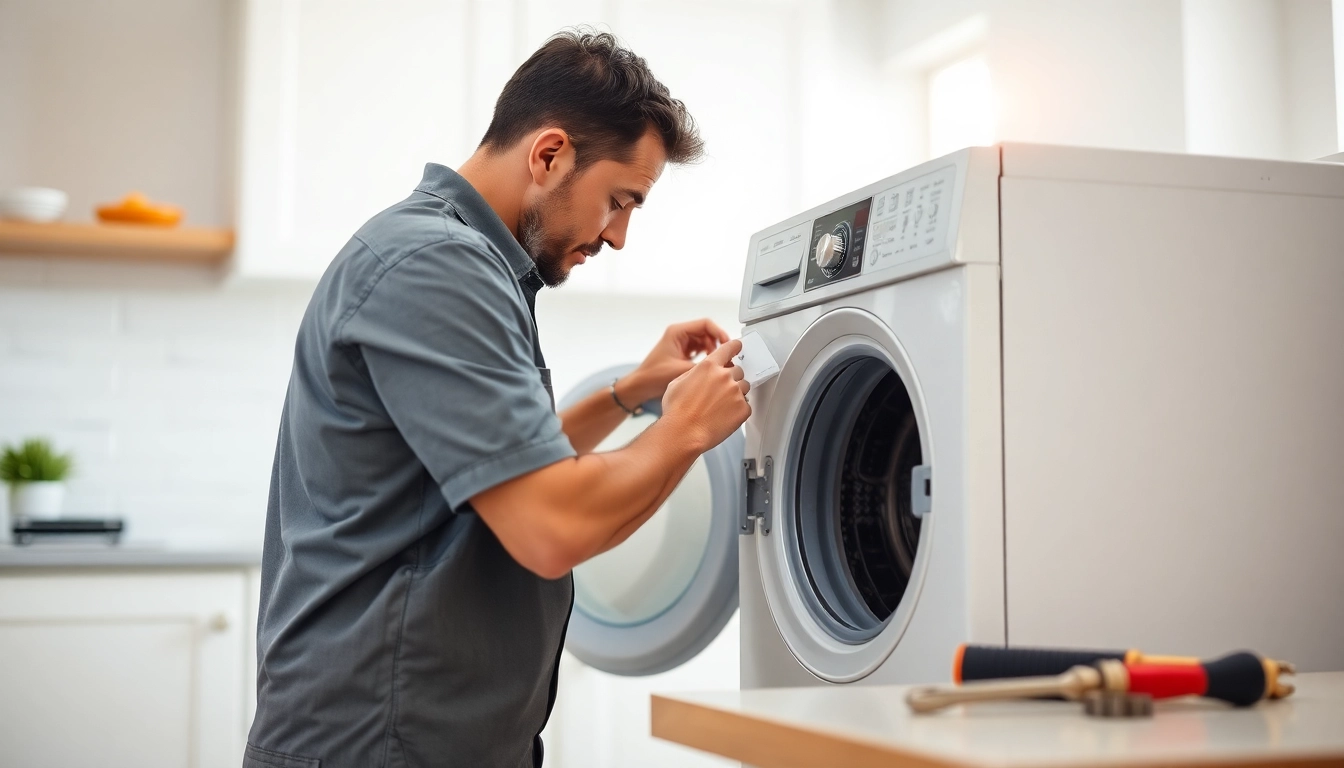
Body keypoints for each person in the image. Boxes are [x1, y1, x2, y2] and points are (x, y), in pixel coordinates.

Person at [243, 29, 751, 768]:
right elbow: (549, 525)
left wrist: (628, 393)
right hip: (376, 745)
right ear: (548, 155)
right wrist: (682, 432)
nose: (619, 237)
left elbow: (509, 471)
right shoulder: (436, 266)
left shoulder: (463, 259)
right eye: (619, 200)